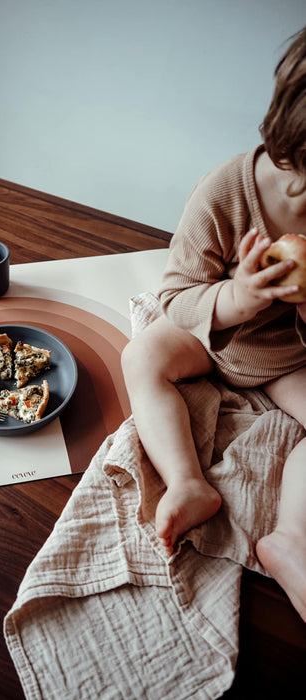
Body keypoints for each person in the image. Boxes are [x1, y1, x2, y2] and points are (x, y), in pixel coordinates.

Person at [121, 26, 306, 623]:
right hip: (216, 335)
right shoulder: (225, 192)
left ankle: (290, 541)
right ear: (291, 158)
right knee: (142, 355)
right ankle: (187, 482)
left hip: (289, 356)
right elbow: (177, 296)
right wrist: (241, 297)